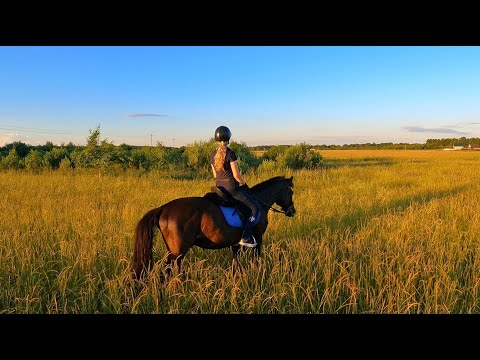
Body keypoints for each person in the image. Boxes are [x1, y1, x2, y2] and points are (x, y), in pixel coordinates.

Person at [210, 125, 259, 248]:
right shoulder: (231, 154)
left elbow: (215, 175)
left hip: (219, 189)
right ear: (228, 138)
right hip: (232, 189)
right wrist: (244, 183)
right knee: (254, 208)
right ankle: (246, 236)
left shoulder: (212, 155)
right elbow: (236, 175)